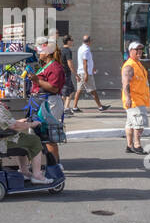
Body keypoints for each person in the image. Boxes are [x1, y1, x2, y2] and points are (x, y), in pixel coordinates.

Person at [0, 96, 49, 183]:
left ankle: (24, 172)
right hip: (0, 141)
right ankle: (37, 176)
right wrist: (31, 124)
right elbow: (14, 126)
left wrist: (20, 121)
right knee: (35, 141)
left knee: (24, 138)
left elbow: (2, 122)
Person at [31, 36, 66, 164]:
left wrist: (37, 80)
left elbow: (54, 88)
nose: (38, 53)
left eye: (40, 51)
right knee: (40, 135)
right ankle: (47, 164)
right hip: (43, 102)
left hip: (50, 103)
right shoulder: (47, 66)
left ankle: (55, 165)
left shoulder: (55, 67)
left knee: (48, 137)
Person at [121, 41, 150, 154]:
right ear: (130, 51)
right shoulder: (129, 65)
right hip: (134, 100)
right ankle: (137, 145)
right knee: (139, 124)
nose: (139, 52)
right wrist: (128, 98)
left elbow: (142, 81)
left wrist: (149, 93)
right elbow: (126, 83)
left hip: (139, 99)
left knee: (130, 123)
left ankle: (129, 145)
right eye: (136, 50)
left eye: (140, 49)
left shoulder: (138, 63)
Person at [73, 35, 110, 112]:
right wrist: (86, 74)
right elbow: (84, 62)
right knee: (92, 90)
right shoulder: (86, 50)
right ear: (89, 41)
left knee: (79, 90)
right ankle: (100, 107)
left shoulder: (80, 48)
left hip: (81, 72)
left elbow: (84, 62)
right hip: (85, 73)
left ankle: (75, 107)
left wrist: (91, 68)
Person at [61, 36, 78, 115]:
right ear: (68, 41)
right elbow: (70, 63)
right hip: (66, 74)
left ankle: (66, 107)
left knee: (70, 90)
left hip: (62, 73)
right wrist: (76, 74)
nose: (72, 41)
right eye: (71, 40)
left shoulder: (61, 50)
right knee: (66, 92)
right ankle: (64, 108)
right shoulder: (68, 51)